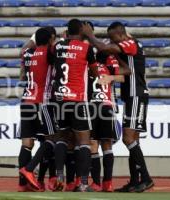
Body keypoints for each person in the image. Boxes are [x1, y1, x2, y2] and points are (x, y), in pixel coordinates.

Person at [83, 21, 154, 193]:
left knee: (128, 139)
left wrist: (90, 35)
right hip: (133, 96)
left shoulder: (130, 44)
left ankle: (146, 178)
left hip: (135, 94)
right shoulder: (130, 43)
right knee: (133, 140)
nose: (112, 42)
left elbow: (106, 49)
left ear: (121, 35)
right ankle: (135, 181)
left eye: (113, 38)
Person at [51, 19, 99, 192]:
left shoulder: (57, 46)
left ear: (67, 31)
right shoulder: (87, 48)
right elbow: (95, 73)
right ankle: (84, 183)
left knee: (62, 138)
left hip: (59, 99)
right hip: (78, 99)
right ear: (82, 30)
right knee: (84, 141)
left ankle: (59, 177)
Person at [17, 27, 57, 192]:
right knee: (52, 139)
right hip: (41, 101)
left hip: (26, 100)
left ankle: (22, 184)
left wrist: (33, 38)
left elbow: (21, 75)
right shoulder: (48, 52)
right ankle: (30, 170)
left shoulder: (27, 53)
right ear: (49, 40)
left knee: (27, 143)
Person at [88, 54, 124, 192]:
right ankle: (108, 183)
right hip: (107, 106)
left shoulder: (87, 67)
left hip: (92, 107)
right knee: (107, 145)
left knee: (93, 145)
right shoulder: (108, 68)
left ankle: (96, 183)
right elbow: (122, 77)